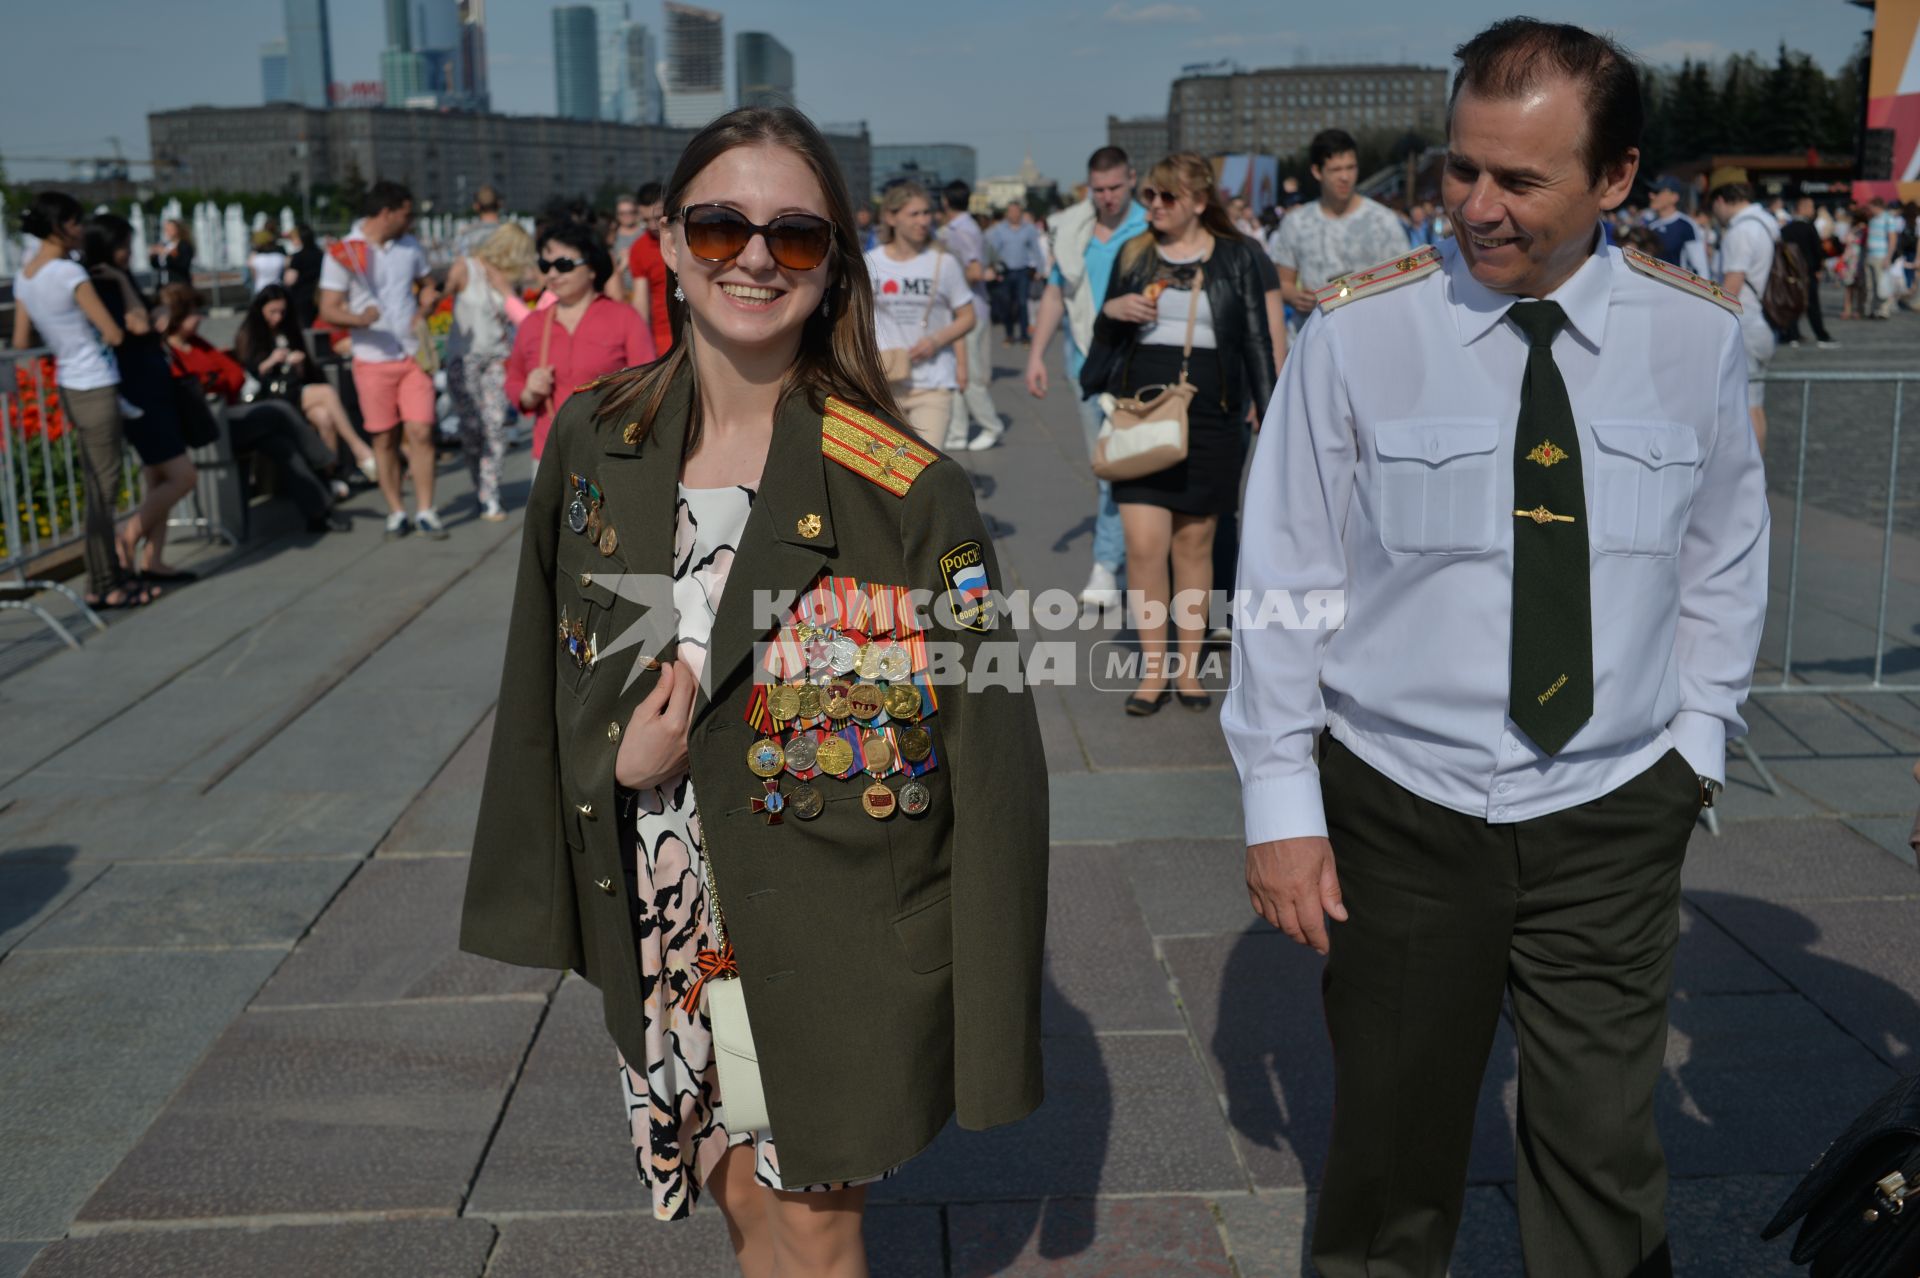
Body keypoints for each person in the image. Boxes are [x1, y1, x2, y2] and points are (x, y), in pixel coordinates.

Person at [461, 105, 1048, 1278]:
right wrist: (609, 763)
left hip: (834, 927)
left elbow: (993, 759)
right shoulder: (601, 438)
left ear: (834, 270)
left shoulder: (904, 489)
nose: (753, 260)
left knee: (820, 1239)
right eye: (720, 226)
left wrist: (990, 1021)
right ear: (670, 246)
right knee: (741, 1214)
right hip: (664, 912)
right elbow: (550, 670)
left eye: (794, 237)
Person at [1224, 20, 1769, 1277]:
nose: (1476, 206)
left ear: (1617, 180)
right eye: (1461, 169)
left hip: (1615, 809)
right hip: (1400, 809)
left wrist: (1695, 748)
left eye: (1519, 180)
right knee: (1390, 1165)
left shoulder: (1695, 339)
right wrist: (1279, 803)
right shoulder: (1361, 336)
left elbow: (1725, 554)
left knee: (1602, 1156)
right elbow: (1287, 580)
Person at [1080, 152, 1275, 716]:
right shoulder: (1135, 253)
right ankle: (1152, 670)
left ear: (1197, 201)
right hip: (1143, 412)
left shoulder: (1236, 258)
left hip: (1211, 411)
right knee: (1144, 545)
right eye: (1151, 197)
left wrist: (1272, 406)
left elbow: (1257, 340)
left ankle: (1187, 670)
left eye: (1167, 197)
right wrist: (1112, 310)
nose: (1155, 207)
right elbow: (1104, 336)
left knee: (1196, 542)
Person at [11, 193, 159, 609]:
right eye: (75, 223)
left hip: (69, 383)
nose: (81, 232)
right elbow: (113, 334)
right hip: (95, 381)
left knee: (97, 486)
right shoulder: (66, 272)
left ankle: (104, 578)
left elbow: (21, 341)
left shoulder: (26, 275)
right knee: (105, 490)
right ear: (60, 226)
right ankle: (104, 582)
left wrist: (60, 335)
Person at [1025, 146, 1149, 610]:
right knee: (1106, 467)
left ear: (1132, 179)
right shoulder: (1075, 230)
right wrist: (1036, 355)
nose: (1108, 197)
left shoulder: (1150, 225)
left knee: (1141, 464)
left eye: (1116, 187)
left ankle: (1118, 561)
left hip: (1141, 364)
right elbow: (1057, 293)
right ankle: (1112, 562)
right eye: (1098, 190)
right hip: (1086, 365)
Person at [163, 284, 351, 535]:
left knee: (281, 444)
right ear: (178, 316)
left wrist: (212, 381)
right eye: (194, 313)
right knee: (279, 411)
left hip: (225, 415)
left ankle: (319, 513)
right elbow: (196, 387)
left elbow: (232, 375)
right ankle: (327, 465)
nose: (200, 318)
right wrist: (213, 381)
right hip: (205, 427)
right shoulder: (169, 351)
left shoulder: (196, 344)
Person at [318, 180, 447, 541]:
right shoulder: (344, 251)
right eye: (406, 214)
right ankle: (396, 511)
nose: (411, 221)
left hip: (412, 355)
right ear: (387, 213)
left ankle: (426, 509)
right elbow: (327, 308)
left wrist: (428, 301)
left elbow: (427, 284)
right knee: (385, 438)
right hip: (371, 358)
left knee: (421, 431)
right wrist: (359, 320)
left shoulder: (409, 246)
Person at [81, 213, 200, 583]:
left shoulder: (119, 279)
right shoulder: (103, 282)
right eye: (122, 246)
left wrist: (159, 308)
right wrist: (121, 283)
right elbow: (136, 326)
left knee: (158, 477)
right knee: (183, 477)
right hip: (138, 389)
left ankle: (154, 559)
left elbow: (146, 318)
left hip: (151, 384)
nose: (128, 253)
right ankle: (128, 539)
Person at [503, 219, 654, 469]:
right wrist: (528, 393)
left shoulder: (625, 319)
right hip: (550, 454)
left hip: (609, 454)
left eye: (564, 265)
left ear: (592, 268)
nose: (552, 274)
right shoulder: (533, 324)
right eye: (545, 265)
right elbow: (514, 379)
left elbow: (648, 384)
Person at [865, 182, 976, 450]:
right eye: (914, 214)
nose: (923, 221)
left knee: (924, 472)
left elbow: (967, 316)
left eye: (926, 213)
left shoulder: (943, 262)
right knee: (886, 473)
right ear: (891, 218)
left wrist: (936, 342)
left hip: (933, 383)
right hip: (883, 384)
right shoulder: (871, 262)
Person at [235, 283, 379, 490]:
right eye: (272, 312)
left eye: (282, 311)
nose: (278, 317)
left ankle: (327, 477)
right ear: (260, 311)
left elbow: (307, 375)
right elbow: (253, 373)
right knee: (327, 393)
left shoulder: (288, 330)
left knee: (324, 417)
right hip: (270, 399)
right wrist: (272, 360)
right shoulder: (250, 335)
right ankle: (360, 450)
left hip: (294, 392)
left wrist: (299, 364)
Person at [1271, 129, 1412, 327]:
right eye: (1336, 170)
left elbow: (1405, 280)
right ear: (1316, 171)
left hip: (1369, 331)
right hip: (1313, 333)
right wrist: (1295, 296)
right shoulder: (1296, 223)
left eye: (1351, 167)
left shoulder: (1383, 221)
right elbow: (1282, 283)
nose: (1345, 177)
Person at [445, 222, 536, 520]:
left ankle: (490, 495)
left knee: (496, 428)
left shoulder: (507, 278)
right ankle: (479, 485)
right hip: (465, 358)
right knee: (472, 429)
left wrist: (506, 288)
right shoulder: (465, 267)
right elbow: (443, 295)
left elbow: (519, 316)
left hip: (497, 359)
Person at [936, 180, 1004, 451]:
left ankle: (991, 425)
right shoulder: (964, 227)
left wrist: (946, 279)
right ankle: (958, 430)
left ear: (945, 201)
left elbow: (975, 272)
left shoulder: (960, 230)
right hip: (966, 309)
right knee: (956, 372)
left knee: (971, 374)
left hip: (969, 310)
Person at [1713, 180, 1779, 451]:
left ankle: (1752, 483)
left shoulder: (1741, 231)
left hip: (1745, 322)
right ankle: (1758, 479)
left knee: (1746, 407)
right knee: (1756, 404)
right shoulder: (1767, 222)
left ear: (1721, 201)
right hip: (1762, 321)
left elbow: (1732, 286)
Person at [1781, 194, 1836, 348]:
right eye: (1811, 207)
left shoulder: (1786, 229)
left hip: (1790, 273)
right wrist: (1819, 268)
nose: (1813, 210)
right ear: (1803, 208)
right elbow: (1817, 251)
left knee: (1792, 304)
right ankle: (1821, 335)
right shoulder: (1809, 228)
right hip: (1808, 273)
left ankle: (1792, 335)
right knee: (1812, 305)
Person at [627, 180, 675, 357]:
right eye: (645, 220)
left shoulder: (688, 237)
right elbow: (640, 304)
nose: (652, 226)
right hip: (663, 337)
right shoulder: (639, 249)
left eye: (657, 218)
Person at [986, 201, 1043, 344]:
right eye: (1011, 211)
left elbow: (1035, 249)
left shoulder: (1029, 229)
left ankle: (1024, 335)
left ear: (1020, 212)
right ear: (1007, 213)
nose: (1014, 214)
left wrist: (1040, 269)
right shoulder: (999, 229)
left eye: (1016, 211)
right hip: (1005, 272)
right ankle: (1009, 333)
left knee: (1023, 303)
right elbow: (993, 249)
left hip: (1022, 271)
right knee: (1007, 304)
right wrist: (993, 268)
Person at [1645, 176, 1710, 277]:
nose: (1651, 195)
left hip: (1676, 288)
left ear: (1674, 197)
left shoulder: (1686, 225)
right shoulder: (1651, 226)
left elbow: (1700, 267)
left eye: (1657, 192)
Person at [284, 224, 324, 329]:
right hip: (319, 295)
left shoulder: (297, 257)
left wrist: (287, 265)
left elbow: (289, 280)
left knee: (305, 328)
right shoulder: (321, 254)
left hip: (301, 297)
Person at [452, 184, 506, 260]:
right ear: (500, 204)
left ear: (476, 206)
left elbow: (459, 262)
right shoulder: (512, 233)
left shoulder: (465, 235)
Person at [150, 217, 194, 287]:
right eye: (166, 229)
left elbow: (183, 265)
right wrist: (153, 256)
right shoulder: (165, 245)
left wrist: (167, 253)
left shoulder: (184, 245)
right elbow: (157, 266)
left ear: (178, 229)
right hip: (164, 284)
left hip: (179, 285)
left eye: (170, 228)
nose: (167, 231)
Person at [248, 229, 288, 297]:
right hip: (278, 288)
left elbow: (254, 276)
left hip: (260, 288)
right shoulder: (280, 257)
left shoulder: (255, 259)